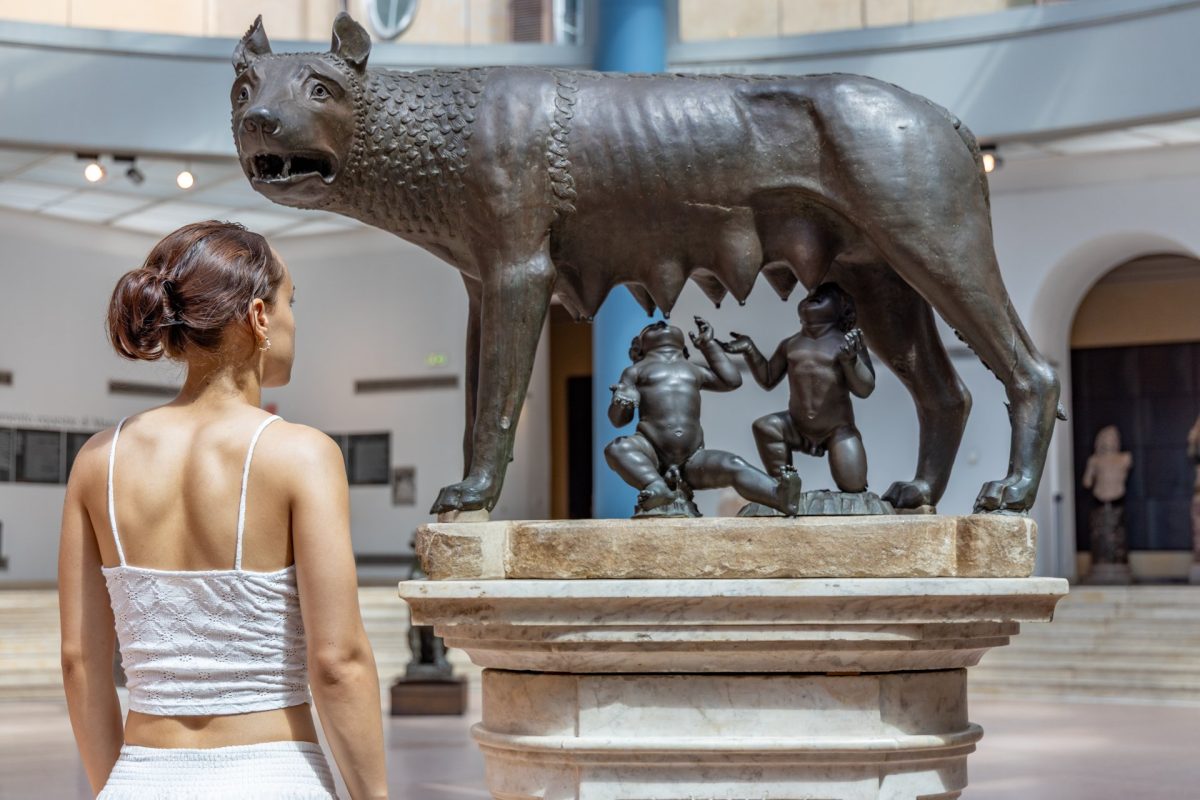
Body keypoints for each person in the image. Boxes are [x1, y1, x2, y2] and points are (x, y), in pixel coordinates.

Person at [58, 221, 388, 799]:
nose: (293, 320)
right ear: (259, 316)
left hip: (140, 776)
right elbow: (338, 662)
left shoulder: (98, 461)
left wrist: (120, 785)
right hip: (273, 775)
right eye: (292, 301)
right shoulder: (301, 455)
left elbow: (81, 662)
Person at [605, 318, 801, 516]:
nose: (660, 324)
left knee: (732, 464)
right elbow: (618, 420)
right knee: (617, 448)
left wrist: (709, 346)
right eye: (652, 327)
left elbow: (731, 380)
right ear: (640, 347)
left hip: (693, 459)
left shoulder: (694, 370)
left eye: (663, 324)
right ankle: (656, 485)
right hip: (652, 454)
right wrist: (622, 402)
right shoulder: (635, 371)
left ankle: (778, 496)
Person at [720, 283, 875, 493]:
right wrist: (750, 350)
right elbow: (767, 378)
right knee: (765, 427)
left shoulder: (847, 344)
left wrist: (850, 361)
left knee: (854, 485)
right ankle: (782, 486)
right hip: (796, 425)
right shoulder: (790, 344)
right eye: (811, 294)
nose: (813, 296)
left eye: (824, 295)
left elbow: (865, 389)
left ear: (842, 308)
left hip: (837, 429)